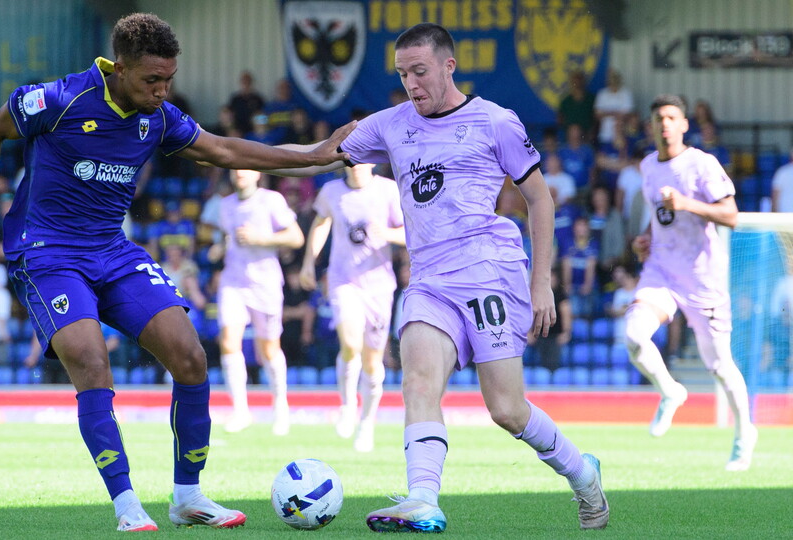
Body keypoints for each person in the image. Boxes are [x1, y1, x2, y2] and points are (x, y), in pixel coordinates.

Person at [0, 12, 353, 533]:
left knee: (191, 356)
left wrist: (314, 156)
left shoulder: (159, 118)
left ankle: (188, 496)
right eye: (153, 80)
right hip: (48, 253)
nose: (162, 91)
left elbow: (224, 149)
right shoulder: (61, 99)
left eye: (169, 80)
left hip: (112, 250)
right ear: (120, 68)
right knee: (91, 360)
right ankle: (127, 503)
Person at [273, 22, 608, 532]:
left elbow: (540, 199)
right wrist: (229, 151)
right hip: (429, 281)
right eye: (402, 74)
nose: (411, 83)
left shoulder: (495, 121)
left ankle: (583, 473)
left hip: (489, 274)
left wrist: (541, 282)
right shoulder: (390, 124)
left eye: (420, 71)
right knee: (418, 380)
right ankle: (422, 499)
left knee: (507, 409)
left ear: (449, 66)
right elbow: (317, 158)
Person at [627, 93, 756, 471]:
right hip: (661, 271)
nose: (665, 124)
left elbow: (730, 215)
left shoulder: (701, 164)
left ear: (684, 124)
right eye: (659, 118)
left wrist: (686, 204)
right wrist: (645, 238)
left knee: (720, 366)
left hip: (702, 278)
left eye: (672, 118)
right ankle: (670, 391)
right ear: (650, 126)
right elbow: (659, 216)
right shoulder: (647, 166)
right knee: (634, 335)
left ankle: (744, 433)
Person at [299, 163, 404, 452]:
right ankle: (347, 406)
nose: (356, 165)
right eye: (350, 160)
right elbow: (322, 222)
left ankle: (367, 422)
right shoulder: (332, 191)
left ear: (372, 162)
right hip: (343, 280)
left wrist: (388, 234)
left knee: (372, 360)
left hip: (379, 285)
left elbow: (410, 232)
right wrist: (309, 262)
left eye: (361, 159)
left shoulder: (388, 190)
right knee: (350, 343)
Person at [212, 168, 304, 435]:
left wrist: (262, 239)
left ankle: (280, 407)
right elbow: (226, 239)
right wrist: (219, 248)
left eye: (245, 168)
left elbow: (296, 237)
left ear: (257, 174)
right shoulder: (225, 205)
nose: (239, 172)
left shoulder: (271, 200)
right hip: (233, 281)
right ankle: (240, 411)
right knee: (228, 342)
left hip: (265, 283)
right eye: (235, 169)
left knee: (269, 349)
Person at [772, 146, 793, 212]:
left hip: (784, 214)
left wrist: (774, 212)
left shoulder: (781, 172)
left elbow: (775, 195)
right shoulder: (782, 172)